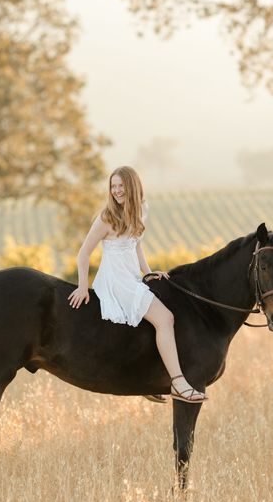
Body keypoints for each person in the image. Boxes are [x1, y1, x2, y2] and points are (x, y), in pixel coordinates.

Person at [67, 165, 207, 404]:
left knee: (146, 321)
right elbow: (83, 254)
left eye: (121, 186)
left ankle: (144, 380)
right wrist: (82, 286)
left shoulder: (142, 209)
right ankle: (178, 382)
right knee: (165, 319)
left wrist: (149, 273)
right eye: (113, 186)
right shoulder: (106, 218)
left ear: (132, 187)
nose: (116, 191)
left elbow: (137, 244)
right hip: (115, 280)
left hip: (132, 276)